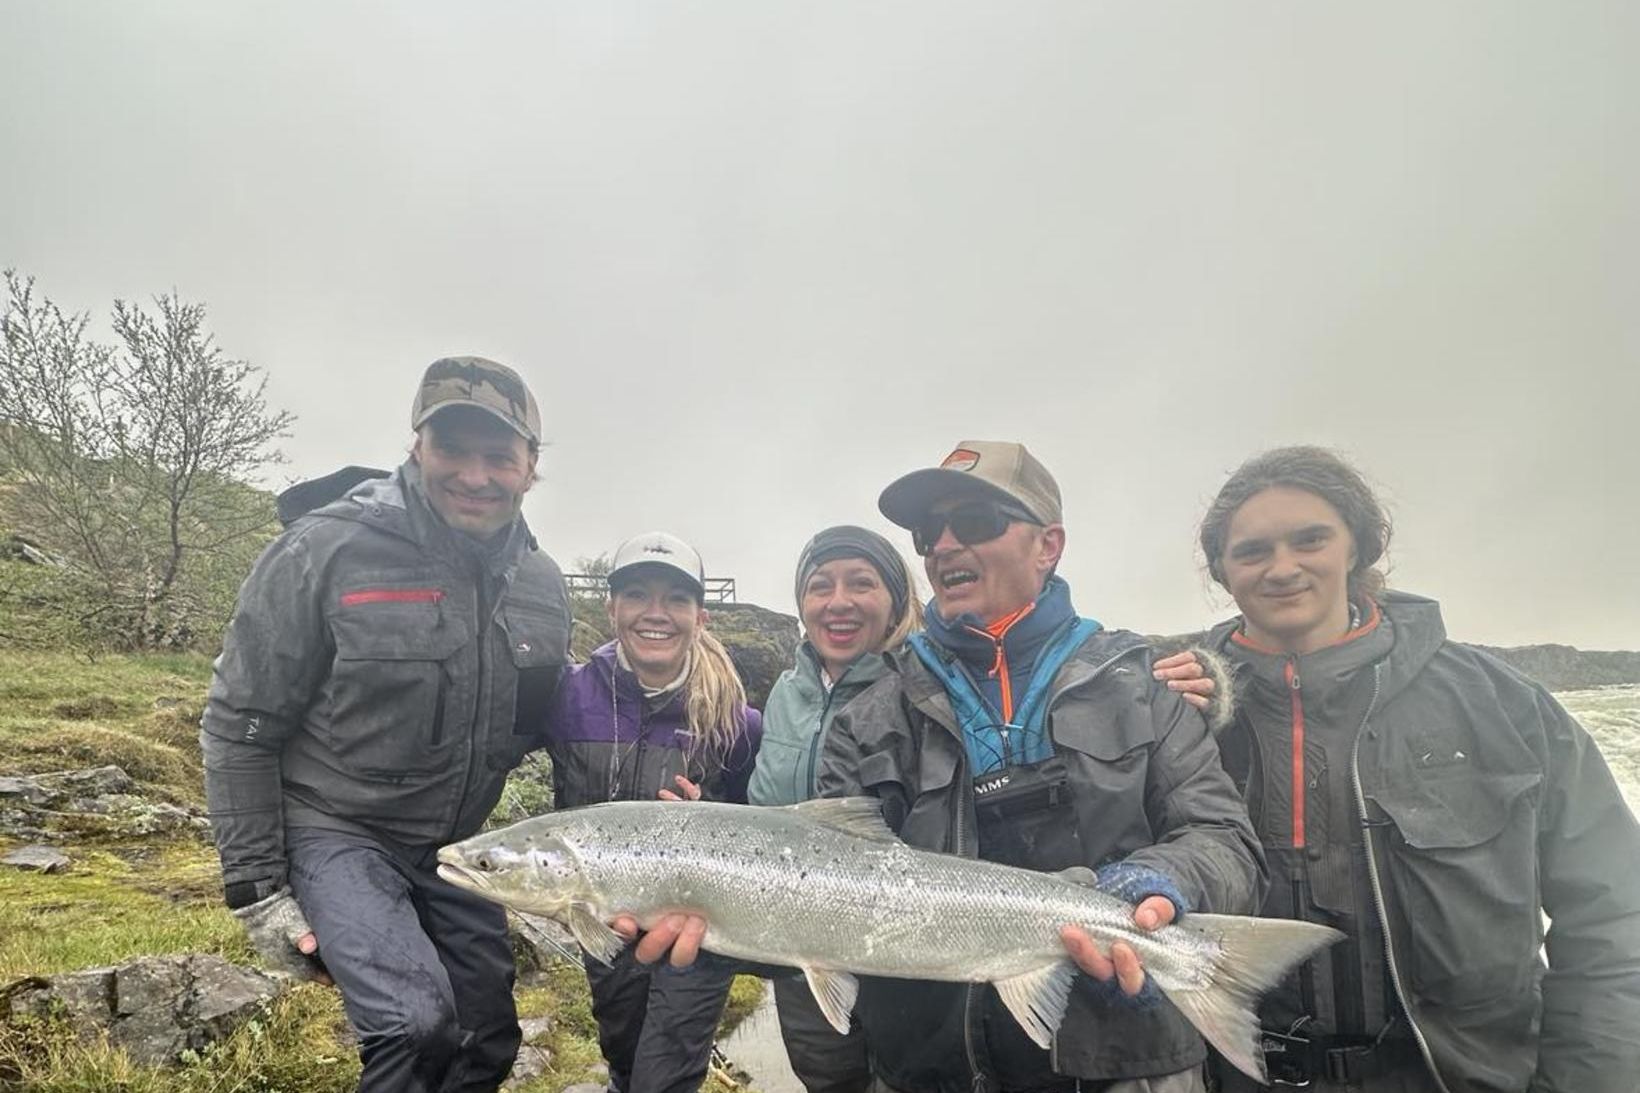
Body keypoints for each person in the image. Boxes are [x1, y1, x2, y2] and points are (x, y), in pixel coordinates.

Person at [814, 440, 1265, 1093]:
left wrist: (1161, 882)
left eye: (974, 522)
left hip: (1130, 1065)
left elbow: (1228, 844)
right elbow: (822, 885)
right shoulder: (866, 715)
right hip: (930, 1072)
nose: (943, 546)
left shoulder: (1145, 683)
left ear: (1048, 544)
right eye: (926, 532)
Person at [1194, 445, 1640, 1093]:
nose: (1283, 567)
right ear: (1223, 570)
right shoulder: (1176, 718)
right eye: (1253, 550)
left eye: (1311, 539)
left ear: (1358, 547)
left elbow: (1614, 909)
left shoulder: (1505, 707)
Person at [201, 356, 572, 1093]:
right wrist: (258, 890)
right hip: (336, 828)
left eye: (499, 455)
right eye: (452, 449)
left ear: (531, 467)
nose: (474, 474)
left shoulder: (541, 581)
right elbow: (240, 722)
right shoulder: (323, 548)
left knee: (488, 1038)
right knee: (412, 1022)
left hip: (457, 844)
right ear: (416, 447)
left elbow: (543, 723)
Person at [545, 530, 764, 1093]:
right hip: (606, 922)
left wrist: (709, 814)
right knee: (622, 1054)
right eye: (638, 595)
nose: (656, 613)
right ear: (613, 608)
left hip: (700, 932)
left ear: (700, 617)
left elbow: (762, 826)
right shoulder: (563, 695)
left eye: (676, 600)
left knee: (664, 1078)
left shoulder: (740, 724)